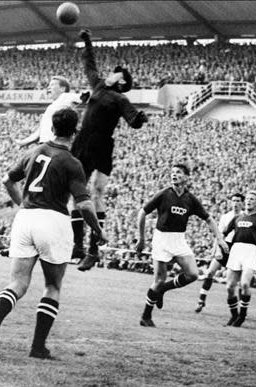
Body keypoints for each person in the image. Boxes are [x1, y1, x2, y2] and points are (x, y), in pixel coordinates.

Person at [0, 108, 108, 359]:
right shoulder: (72, 162)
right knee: (52, 286)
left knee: (18, 282)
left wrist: (21, 203)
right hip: (53, 220)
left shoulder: (33, 151)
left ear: (52, 127)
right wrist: (98, 231)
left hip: (25, 218)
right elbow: (83, 204)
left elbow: (7, 180)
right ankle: (38, 347)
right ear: (75, 131)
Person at [71, 29, 148, 270]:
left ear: (122, 80)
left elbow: (132, 120)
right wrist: (87, 40)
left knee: (97, 193)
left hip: (103, 145)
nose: (111, 73)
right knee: (77, 193)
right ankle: (78, 246)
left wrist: (140, 119)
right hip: (82, 143)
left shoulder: (120, 99)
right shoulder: (96, 85)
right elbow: (89, 62)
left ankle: (93, 249)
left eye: (116, 72)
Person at [135, 164, 228, 327]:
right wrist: (141, 238)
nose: (174, 175)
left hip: (178, 239)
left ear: (186, 177)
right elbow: (142, 212)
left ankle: (164, 289)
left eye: (178, 172)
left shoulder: (190, 199)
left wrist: (220, 239)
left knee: (193, 274)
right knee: (158, 280)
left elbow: (208, 218)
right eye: (172, 173)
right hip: (161, 238)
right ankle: (146, 316)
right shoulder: (164, 194)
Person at [224, 191, 256, 327]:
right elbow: (224, 233)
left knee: (244, 284)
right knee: (229, 287)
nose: (249, 201)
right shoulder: (237, 218)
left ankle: (242, 315)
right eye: (248, 199)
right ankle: (234, 315)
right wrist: (219, 247)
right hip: (236, 250)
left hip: (251, 251)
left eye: (252, 199)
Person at [195, 193, 244, 313]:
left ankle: (242, 307)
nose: (235, 203)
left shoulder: (245, 217)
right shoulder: (225, 217)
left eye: (238, 201)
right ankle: (201, 300)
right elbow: (219, 235)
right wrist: (217, 249)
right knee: (210, 272)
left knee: (239, 281)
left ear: (242, 203)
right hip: (225, 245)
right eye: (233, 201)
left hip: (238, 249)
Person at [16, 76, 81, 147]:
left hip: (55, 145)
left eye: (52, 85)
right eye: (49, 85)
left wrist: (86, 97)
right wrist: (24, 142)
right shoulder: (51, 107)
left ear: (62, 89)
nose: (49, 87)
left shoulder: (65, 97)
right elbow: (40, 131)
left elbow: (83, 97)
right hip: (45, 145)